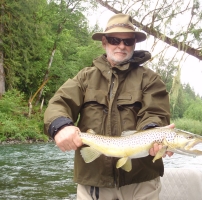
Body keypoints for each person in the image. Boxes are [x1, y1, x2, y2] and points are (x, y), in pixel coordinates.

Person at [44, 13, 174, 200]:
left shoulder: (150, 79)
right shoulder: (85, 77)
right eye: (115, 40)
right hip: (93, 181)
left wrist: (153, 132)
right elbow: (59, 103)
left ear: (134, 44)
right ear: (104, 42)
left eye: (127, 41)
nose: (121, 46)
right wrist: (61, 126)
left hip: (141, 181)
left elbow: (155, 114)